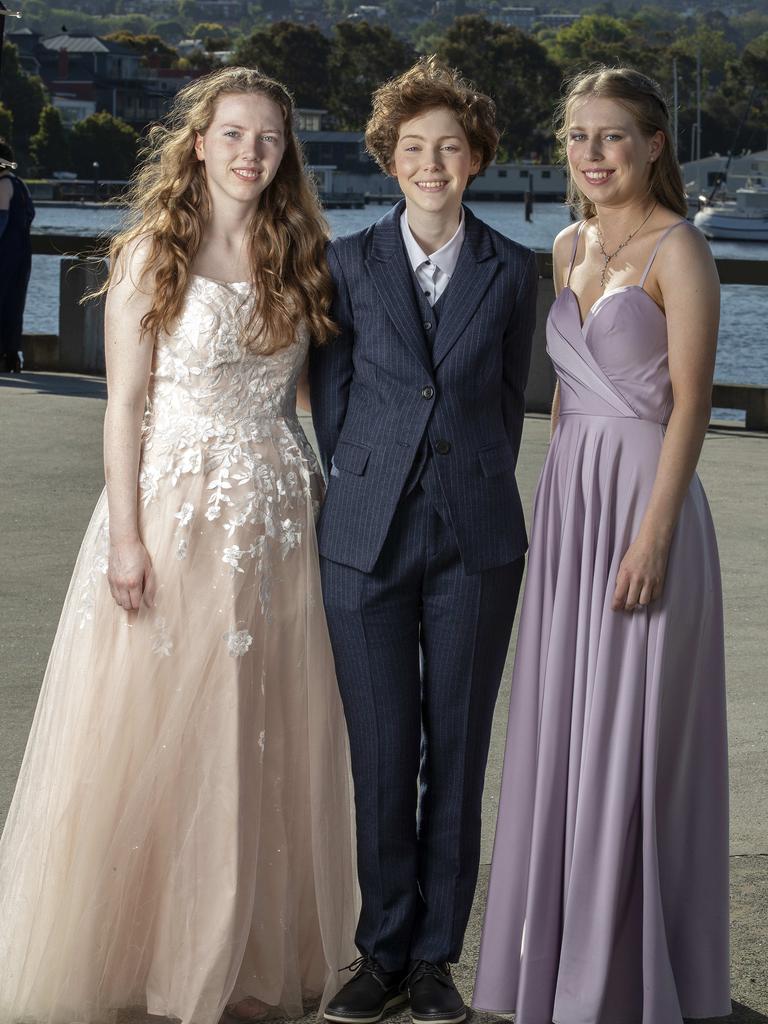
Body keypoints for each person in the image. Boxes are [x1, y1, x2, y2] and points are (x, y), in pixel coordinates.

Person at [0, 67, 357, 1024]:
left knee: (263, 735)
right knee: (160, 732)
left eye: (270, 139)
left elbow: (321, 396)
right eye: (234, 134)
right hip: (173, 510)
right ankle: (147, 954)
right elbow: (123, 406)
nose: (251, 153)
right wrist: (125, 537)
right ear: (198, 142)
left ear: (287, 154)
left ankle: (245, 949)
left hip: (280, 517)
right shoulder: (152, 251)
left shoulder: (303, 250)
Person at [473, 66, 730, 1024]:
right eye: (579, 135)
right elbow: (565, 397)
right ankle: (561, 960)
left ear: (655, 144)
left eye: (613, 135)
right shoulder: (566, 243)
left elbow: (693, 405)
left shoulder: (682, 249)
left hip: (645, 509)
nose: (593, 153)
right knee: (562, 731)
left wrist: (653, 535)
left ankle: (627, 972)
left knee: (631, 735)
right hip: (571, 508)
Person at [310, 56, 538, 1024]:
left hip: (476, 538)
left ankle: (438, 960)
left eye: (450, 146)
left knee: (457, 751)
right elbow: (334, 399)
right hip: (362, 537)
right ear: (389, 161)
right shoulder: (348, 262)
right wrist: (369, 484)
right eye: (414, 148)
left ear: (478, 158)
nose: (432, 162)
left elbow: (506, 402)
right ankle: (381, 951)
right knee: (381, 749)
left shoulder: (516, 269)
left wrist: (463, 480)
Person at [0, 137, 34, 373]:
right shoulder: (21, 185)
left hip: (4, 254)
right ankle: (12, 354)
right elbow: (29, 217)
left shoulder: (2, 185)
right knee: (15, 303)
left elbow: (0, 222)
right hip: (22, 252)